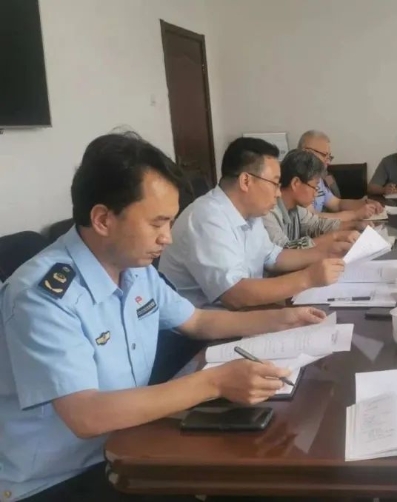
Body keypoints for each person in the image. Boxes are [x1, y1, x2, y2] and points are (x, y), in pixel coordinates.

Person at [0, 132, 326, 502]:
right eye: (157, 224)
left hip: (129, 441)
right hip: (58, 478)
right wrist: (215, 383)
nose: (167, 238)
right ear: (103, 219)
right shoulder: (41, 296)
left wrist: (286, 319)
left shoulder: (133, 266)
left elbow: (197, 321)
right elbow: (86, 415)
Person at [158, 138, 346, 310]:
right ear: (246, 181)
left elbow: (274, 257)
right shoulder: (207, 218)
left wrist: (327, 253)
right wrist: (308, 278)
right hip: (201, 330)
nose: (278, 193)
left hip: (240, 315)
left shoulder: (251, 214)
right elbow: (235, 295)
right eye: (274, 183)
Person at [263, 149, 361, 248]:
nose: (316, 193)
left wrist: (356, 225)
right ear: (295, 183)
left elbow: (318, 225)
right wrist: (335, 236)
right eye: (315, 186)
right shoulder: (267, 212)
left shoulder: (297, 209)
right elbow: (283, 250)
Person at [298, 130, 383, 220]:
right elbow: (312, 218)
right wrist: (355, 214)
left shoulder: (318, 178)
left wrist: (365, 203)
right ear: (306, 152)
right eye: (324, 155)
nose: (328, 162)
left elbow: (337, 204)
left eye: (329, 157)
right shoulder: (297, 180)